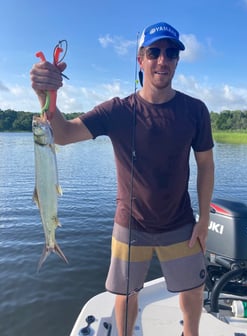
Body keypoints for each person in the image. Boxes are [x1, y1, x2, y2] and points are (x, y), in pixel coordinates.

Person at [30, 21, 214, 336]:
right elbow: (61, 134)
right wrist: (46, 96)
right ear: (140, 59)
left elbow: (206, 165)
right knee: (126, 295)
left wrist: (204, 217)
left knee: (194, 290)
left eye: (170, 53)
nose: (162, 60)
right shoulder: (117, 110)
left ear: (177, 61)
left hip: (181, 222)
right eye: (154, 52)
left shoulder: (195, 110)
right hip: (130, 223)